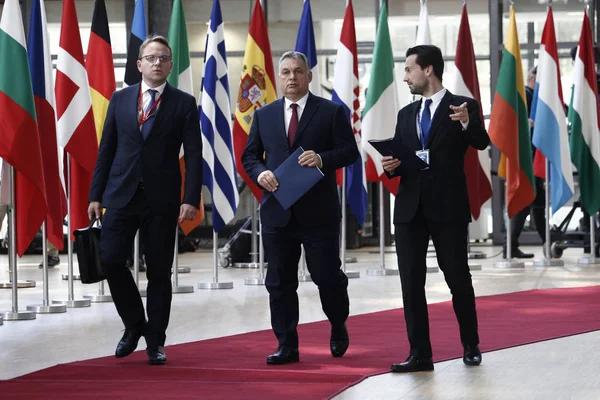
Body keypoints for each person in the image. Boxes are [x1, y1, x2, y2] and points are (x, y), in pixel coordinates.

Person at [88, 35, 203, 365]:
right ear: (139, 65)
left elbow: (194, 155)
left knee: (158, 272)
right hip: (120, 195)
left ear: (170, 65)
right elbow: (106, 149)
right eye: (151, 58)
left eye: (163, 58)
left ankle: (156, 341)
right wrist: (95, 194)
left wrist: (190, 197)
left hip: (162, 199)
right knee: (109, 259)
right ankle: (134, 324)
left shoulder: (183, 103)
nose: (157, 63)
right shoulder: (120, 99)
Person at [242, 51, 359, 365]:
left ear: (309, 76)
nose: (291, 78)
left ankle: (337, 323)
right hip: (277, 212)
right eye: (285, 72)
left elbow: (350, 152)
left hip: (318, 213)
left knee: (327, 277)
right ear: (278, 78)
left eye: (298, 72)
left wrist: (322, 158)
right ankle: (286, 345)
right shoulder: (264, 115)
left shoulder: (331, 112)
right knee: (279, 281)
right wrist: (259, 173)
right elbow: (249, 156)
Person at [382, 45, 489, 372]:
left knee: (458, 277)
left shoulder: (463, 106)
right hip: (410, 210)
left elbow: (482, 142)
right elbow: (405, 161)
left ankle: (470, 345)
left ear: (428, 69)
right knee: (410, 282)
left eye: (409, 70)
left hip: (448, 207)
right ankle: (420, 354)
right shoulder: (406, 114)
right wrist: (391, 166)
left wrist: (469, 122)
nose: (405, 77)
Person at [502, 66, 546, 259]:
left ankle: (546, 241)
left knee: (537, 201)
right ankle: (511, 246)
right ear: (533, 78)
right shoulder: (527, 97)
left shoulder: (532, 96)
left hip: (531, 157)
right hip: (525, 158)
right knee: (528, 202)